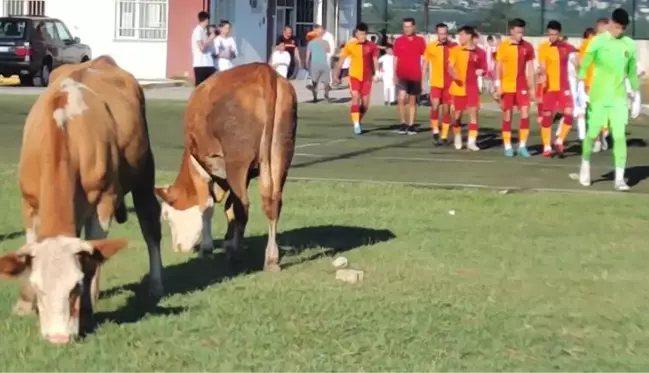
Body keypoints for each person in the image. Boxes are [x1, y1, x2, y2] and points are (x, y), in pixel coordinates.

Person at [576, 8, 641, 191]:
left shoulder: (629, 45)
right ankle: (585, 164)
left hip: (618, 98)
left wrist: (637, 94)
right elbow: (585, 62)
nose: (619, 31)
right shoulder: (598, 41)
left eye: (623, 29)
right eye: (617, 27)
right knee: (592, 133)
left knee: (619, 136)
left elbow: (631, 72)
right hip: (598, 97)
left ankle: (619, 178)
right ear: (611, 23)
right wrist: (581, 86)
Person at [493, 18, 536, 157]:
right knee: (507, 115)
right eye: (517, 32)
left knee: (525, 113)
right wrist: (498, 85)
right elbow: (498, 67)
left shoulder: (528, 47)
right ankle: (508, 146)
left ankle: (523, 146)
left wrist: (532, 87)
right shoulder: (503, 46)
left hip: (521, 85)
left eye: (522, 32)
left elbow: (530, 69)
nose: (520, 35)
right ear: (511, 31)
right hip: (507, 86)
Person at [537, 20, 577, 158]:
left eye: (554, 34)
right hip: (549, 87)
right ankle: (547, 146)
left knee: (569, 113)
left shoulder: (566, 47)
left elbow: (577, 59)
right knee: (547, 116)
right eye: (550, 34)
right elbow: (542, 65)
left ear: (559, 33)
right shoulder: (543, 47)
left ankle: (559, 141)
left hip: (564, 86)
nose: (552, 36)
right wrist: (542, 75)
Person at [333, 23, 379, 135]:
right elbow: (341, 60)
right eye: (359, 33)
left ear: (366, 34)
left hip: (367, 77)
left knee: (365, 104)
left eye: (363, 34)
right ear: (356, 34)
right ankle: (356, 124)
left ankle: (358, 119)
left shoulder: (372, 46)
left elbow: (375, 60)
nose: (362, 36)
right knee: (355, 96)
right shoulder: (350, 45)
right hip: (354, 76)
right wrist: (336, 74)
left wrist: (377, 72)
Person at [447, 25, 486, 151]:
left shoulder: (480, 52)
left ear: (469, 36)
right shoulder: (456, 50)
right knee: (457, 116)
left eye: (462, 35)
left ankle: (471, 142)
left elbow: (484, 67)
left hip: (472, 88)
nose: (460, 37)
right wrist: (454, 75)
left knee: (473, 114)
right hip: (458, 88)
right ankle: (457, 136)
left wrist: (482, 71)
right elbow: (450, 67)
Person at [423, 23, 457, 144]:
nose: (443, 36)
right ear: (437, 33)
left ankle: (444, 135)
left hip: (449, 83)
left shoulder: (454, 47)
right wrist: (423, 80)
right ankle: (436, 130)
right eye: (440, 33)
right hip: (436, 82)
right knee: (435, 106)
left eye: (445, 33)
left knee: (446, 110)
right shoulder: (431, 46)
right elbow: (426, 63)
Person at [581, 18, 611, 152]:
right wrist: (584, 82)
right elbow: (584, 63)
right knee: (593, 113)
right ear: (599, 27)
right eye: (604, 28)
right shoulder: (589, 43)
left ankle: (604, 131)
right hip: (592, 83)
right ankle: (597, 140)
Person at [393, 18, 426, 135]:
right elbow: (395, 58)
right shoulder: (398, 41)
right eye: (405, 27)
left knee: (412, 101)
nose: (407, 29)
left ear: (414, 27)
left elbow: (425, 59)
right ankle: (403, 123)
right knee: (401, 98)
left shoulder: (420, 41)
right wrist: (394, 74)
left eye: (409, 26)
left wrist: (424, 75)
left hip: (415, 75)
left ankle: (411, 125)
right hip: (402, 74)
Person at [305, 25, 332, 102]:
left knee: (314, 82)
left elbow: (308, 56)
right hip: (324, 64)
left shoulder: (310, 43)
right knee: (326, 82)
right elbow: (328, 51)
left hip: (314, 64)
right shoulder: (325, 42)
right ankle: (326, 97)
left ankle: (315, 98)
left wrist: (306, 64)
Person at [191, 11, 216, 87]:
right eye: (208, 20)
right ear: (206, 20)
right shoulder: (197, 31)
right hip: (200, 64)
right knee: (200, 87)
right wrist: (210, 39)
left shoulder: (205, 31)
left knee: (210, 87)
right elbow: (201, 48)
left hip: (209, 63)